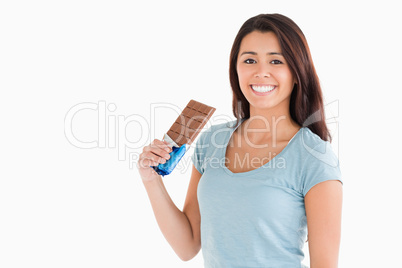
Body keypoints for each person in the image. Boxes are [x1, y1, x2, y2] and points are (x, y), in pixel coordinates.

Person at [137, 13, 343, 268]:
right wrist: (151, 180)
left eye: (276, 61)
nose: (261, 72)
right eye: (249, 60)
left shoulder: (314, 157)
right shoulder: (211, 141)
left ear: (297, 71)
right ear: (236, 69)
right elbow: (187, 245)